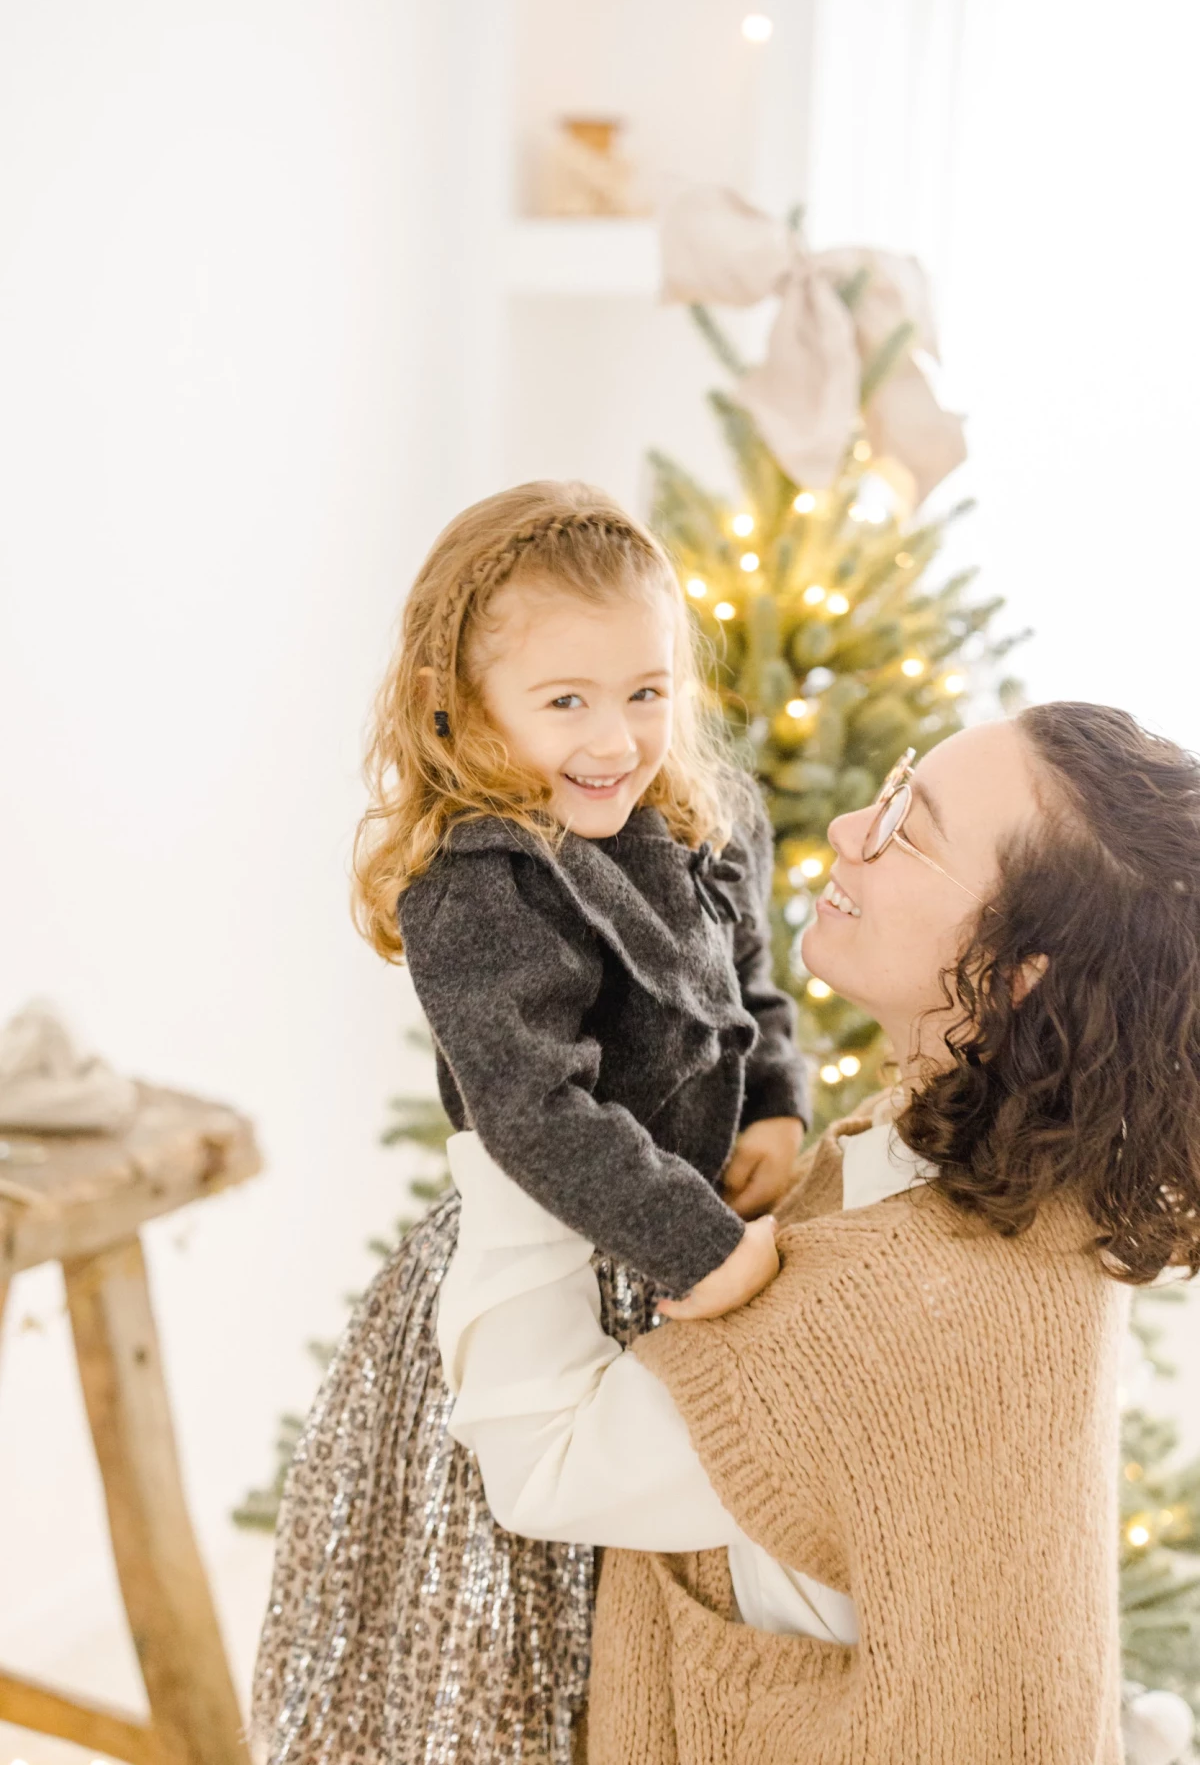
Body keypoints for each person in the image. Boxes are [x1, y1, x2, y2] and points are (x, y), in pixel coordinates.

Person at [438, 702, 1200, 1764]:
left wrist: (520, 1110)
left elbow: (547, 1456)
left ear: (1023, 974)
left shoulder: (908, 1299)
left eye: (908, 830)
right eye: (891, 782)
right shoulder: (1022, 1172)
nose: (848, 828)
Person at [250, 480, 809, 1764]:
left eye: (647, 693)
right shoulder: (484, 882)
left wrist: (773, 1102)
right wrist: (704, 1245)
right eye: (566, 702)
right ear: (464, 705)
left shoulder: (700, 823)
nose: (616, 738)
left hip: (675, 1259)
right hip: (557, 1261)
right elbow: (530, 1102)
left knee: (648, 1622)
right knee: (509, 1632)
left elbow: (753, 988)